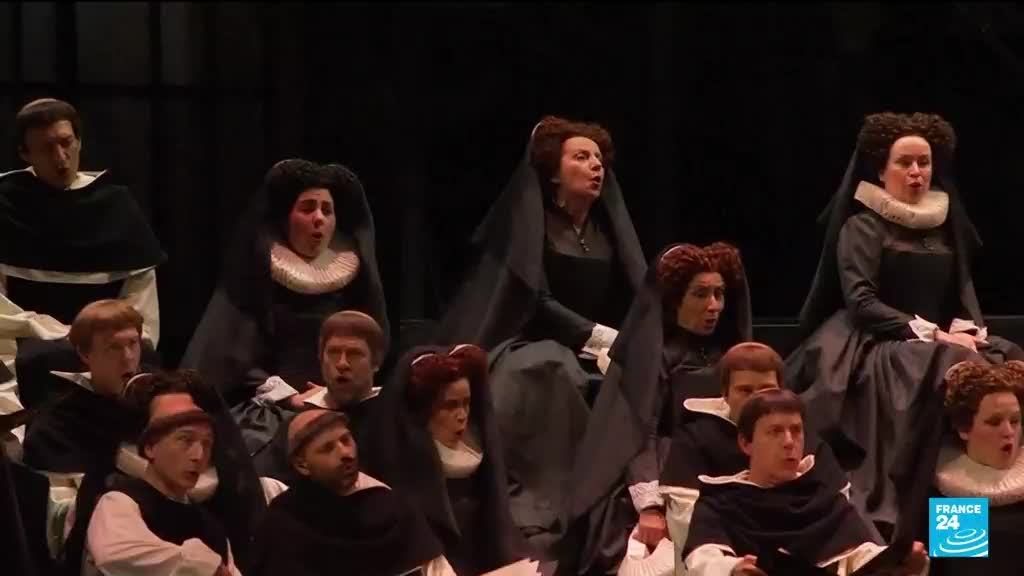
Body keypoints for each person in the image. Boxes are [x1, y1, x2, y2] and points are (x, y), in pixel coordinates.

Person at [785, 111, 1024, 534]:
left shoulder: (945, 228)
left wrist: (967, 329)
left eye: (924, 162)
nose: (916, 172)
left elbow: (960, 292)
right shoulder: (863, 227)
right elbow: (862, 302)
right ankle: (938, 534)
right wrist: (935, 334)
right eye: (904, 162)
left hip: (938, 340)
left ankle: (986, 521)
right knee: (951, 367)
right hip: (876, 343)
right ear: (881, 170)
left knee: (1006, 358)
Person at [436, 116, 646, 558]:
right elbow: (535, 300)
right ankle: (543, 507)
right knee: (551, 369)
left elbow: (630, 292)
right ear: (554, 172)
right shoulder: (533, 225)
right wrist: (598, 336)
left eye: (599, 159)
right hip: (527, 340)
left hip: (592, 346)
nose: (596, 166)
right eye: (581, 157)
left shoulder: (604, 232)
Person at [182, 159, 389, 465]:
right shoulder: (256, 277)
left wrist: (339, 391)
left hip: (347, 399)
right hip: (277, 408)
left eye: (327, 210)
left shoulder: (354, 281)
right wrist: (291, 396)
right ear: (286, 218)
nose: (319, 218)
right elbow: (234, 358)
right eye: (307, 208)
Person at [566, 242, 751, 575]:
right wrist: (650, 505)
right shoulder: (655, 357)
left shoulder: (727, 354)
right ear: (674, 299)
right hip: (664, 469)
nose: (713, 306)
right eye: (700, 294)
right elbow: (636, 431)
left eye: (719, 294)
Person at [0, 98, 164, 418]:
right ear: (25, 153)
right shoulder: (6, 204)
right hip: (24, 345)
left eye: (66, 143)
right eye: (46, 148)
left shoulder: (115, 205)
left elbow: (140, 300)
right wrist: (46, 330)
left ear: (79, 142)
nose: (60, 157)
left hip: (108, 344)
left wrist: (106, 339)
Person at [682, 389, 928, 576]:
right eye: (775, 431)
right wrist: (733, 569)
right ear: (746, 443)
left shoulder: (826, 501)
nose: (789, 442)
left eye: (796, 430)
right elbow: (703, 559)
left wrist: (897, 561)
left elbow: (860, 555)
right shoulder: (719, 504)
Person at [660, 343, 858, 574]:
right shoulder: (698, 442)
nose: (788, 443)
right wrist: (730, 567)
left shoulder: (809, 445)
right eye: (745, 390)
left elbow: (842, 527)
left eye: (766, 389)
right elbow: (691, 529)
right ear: (725, 394)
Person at [63, 370, 271, 575]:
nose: (198, 455)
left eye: (206, 443)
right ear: (149, 445)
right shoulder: (121, 501)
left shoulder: (211, 527)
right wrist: (204, 566)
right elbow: (116, 554)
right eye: (185, 439)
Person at [361, 344, 529, 576]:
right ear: (423, 411)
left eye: (466, 403)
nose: (462, 415)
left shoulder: (480, 451)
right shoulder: (401, 467)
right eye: (449, 406)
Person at [251, 409, 455, 576]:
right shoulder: (283, 524)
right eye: (327, 448)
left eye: (346, 440)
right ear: (302, 464)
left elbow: (438, 571)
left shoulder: (393, 508)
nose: (345, 453)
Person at [254, 310, 385, 483]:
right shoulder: (299, 423)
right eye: (333, 353)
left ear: (376, 362)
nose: (342, 363)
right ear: (321, 359)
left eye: (354, 354)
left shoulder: (394, 417)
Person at [921, 360, 1024, 574]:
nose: (1009, 432)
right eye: (994, 422)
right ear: (964, 429)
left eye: (1015, 421)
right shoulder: (954, 502)